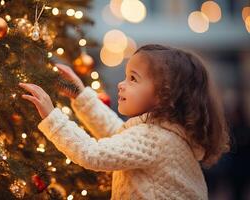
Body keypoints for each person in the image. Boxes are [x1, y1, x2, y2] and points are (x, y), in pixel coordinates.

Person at [18, 44, 230, 199]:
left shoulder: (155, 138)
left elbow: (91, 153)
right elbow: (116, 132)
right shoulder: (160, 133)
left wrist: (51, 115)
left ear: (165, 95)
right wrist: (81, 96)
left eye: (133, 79)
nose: (121, 84)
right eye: (125, 76)